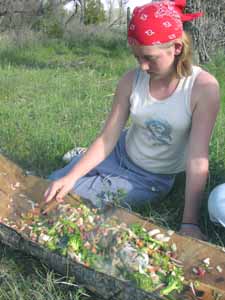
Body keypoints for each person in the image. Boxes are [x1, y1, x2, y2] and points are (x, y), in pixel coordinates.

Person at [44, 0, 220, 240]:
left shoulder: (203, 88)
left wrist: (189, 222)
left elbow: (197, 160)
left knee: (74, 198)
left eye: (149, 57)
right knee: (54, 182)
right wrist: (70, 176)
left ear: (176, 47)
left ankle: (83, 164)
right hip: (119, 151)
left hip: (151, 177)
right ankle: (82, 162)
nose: (143, 66)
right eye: (137, 57)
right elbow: (108, 138)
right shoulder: (131, 80)